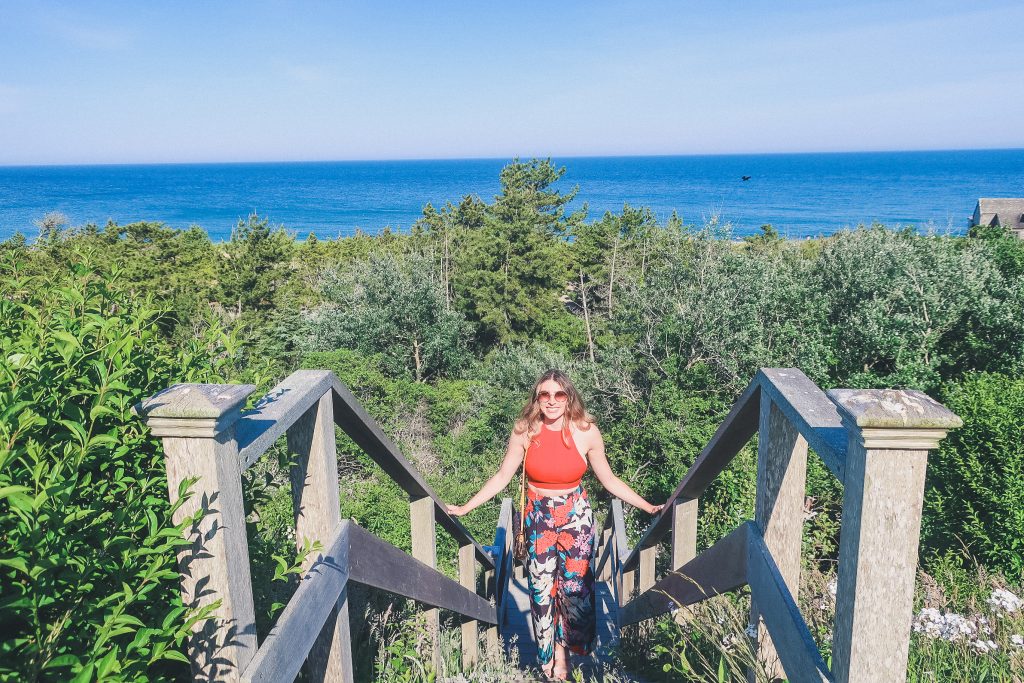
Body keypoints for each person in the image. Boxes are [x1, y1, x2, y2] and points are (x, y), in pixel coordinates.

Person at [447, 369, 664, 680]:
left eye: (559, 394)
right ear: (537, 398)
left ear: (569, 397)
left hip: (576, 517)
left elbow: (609, 479)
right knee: (540, 590)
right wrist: (467, 506)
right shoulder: (525, 430)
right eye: (544, 395)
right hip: (538, 519)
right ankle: (551, 657)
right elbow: (502, 476)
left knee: (574, 590)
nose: (551, 401)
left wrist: (646, 505)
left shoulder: (586, 431)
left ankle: (565, 653)